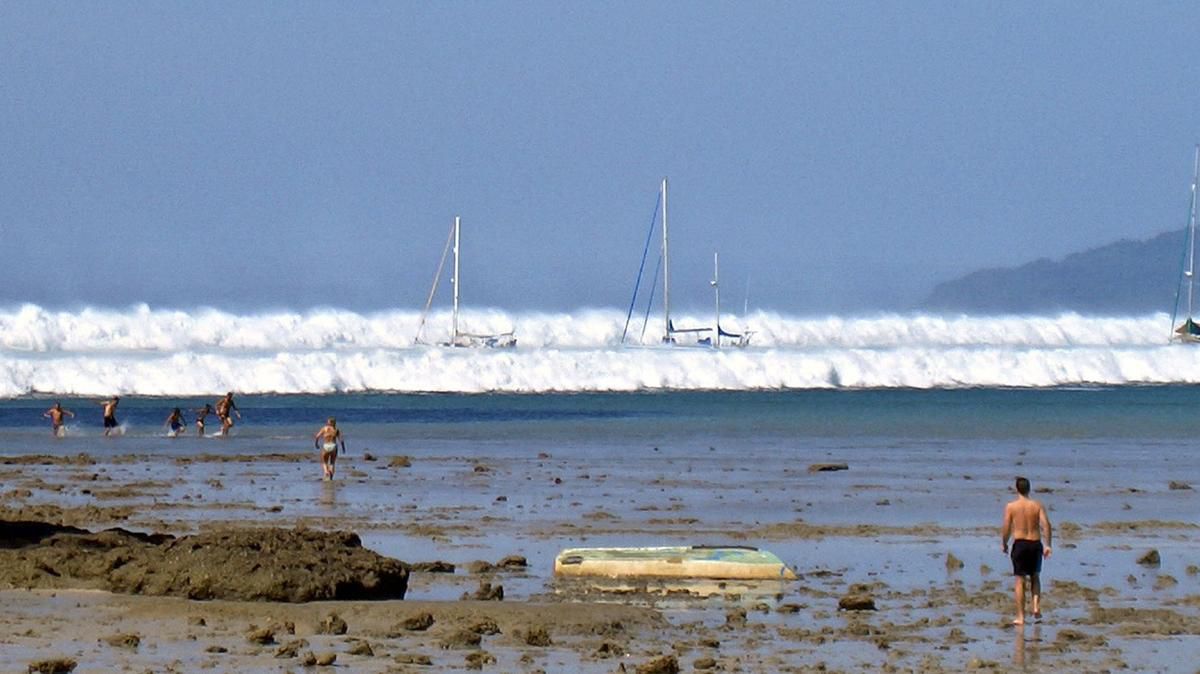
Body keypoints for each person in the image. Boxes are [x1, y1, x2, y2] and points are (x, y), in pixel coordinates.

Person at [1001, 476, 1053, 625]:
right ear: (1029, 489)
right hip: (1035, 543)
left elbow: (1006, 527)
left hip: (1020, 544)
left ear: (1016, 489)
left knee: (1020, 580)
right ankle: (1036, 606)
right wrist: (1048, 544)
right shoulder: (1037, 505)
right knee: (1035, 576)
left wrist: (1004, 543)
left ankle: (1021, 616)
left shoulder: (1011, 506)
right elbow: (1046, 525)